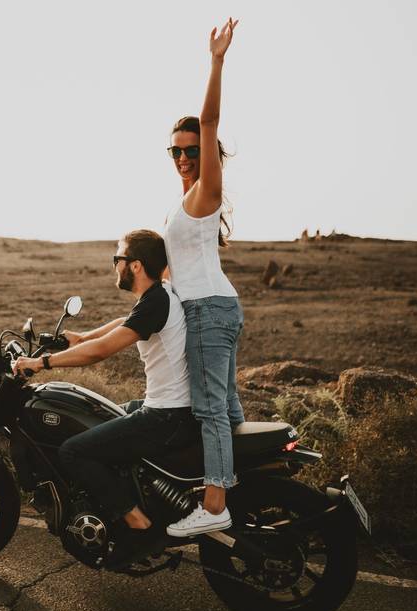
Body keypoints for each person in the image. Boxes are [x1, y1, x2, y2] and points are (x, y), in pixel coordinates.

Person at [12, 229, 199, 540]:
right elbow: (125, 323)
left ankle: (135, 520)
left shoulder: (156, 301)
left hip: (166, 415)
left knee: (73, 451)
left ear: (135, 265)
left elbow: (101, 352)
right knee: (97, 418)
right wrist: (83, 337)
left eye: (118, 259)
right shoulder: (160, 295)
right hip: (173, 409)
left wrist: (39, 363)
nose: (115, 265)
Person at [162, 18, 244, 538]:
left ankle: (214, 503)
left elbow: (211, 121)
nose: (186, 157)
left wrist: (216, 61)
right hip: (212, 307)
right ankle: (243, 485)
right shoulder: (187, 202)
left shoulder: (207, 189)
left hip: (208, 311)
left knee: (210, 408)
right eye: (177, 151)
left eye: (193, 149)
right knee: (228, 408)